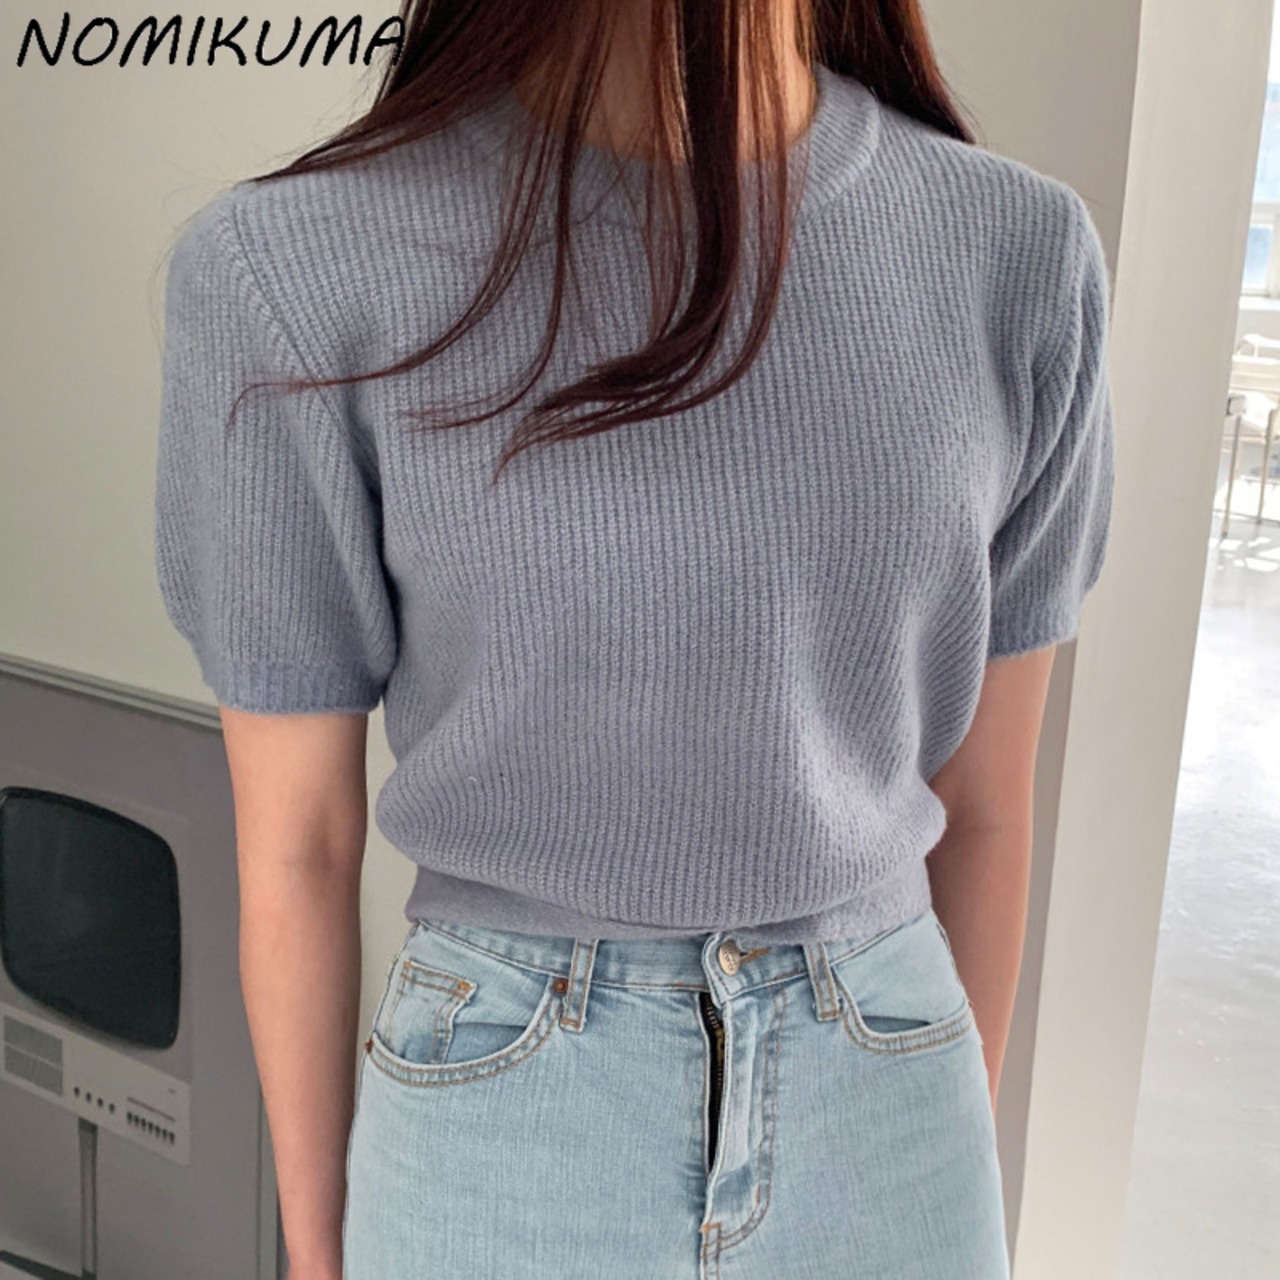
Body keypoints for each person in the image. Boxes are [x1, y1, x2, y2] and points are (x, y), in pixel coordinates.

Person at [152, 0, 1116, 1276]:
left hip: (890, 1107)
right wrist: (319, 1253)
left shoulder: (1016, 254)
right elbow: (300, 845)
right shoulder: (290, 269)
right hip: (498, 1116)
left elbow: (983, 809)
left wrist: (937, 1131)